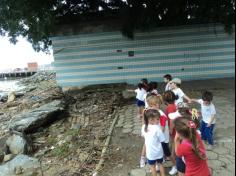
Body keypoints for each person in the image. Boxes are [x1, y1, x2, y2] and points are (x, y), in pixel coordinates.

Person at [142, 108, 166, 176]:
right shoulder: (157, 128)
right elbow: (162, 140)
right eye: (158, 119)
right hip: (158, 151)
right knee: (160, 164)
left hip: (150, 152)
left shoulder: (144, 127)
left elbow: (143, 136)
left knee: (152, 166)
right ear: (151, 120)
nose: (159, 121)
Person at [162, 90, 178, 175]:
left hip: (174, 130)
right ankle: (173, 158)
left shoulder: (170, 107)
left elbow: (172, 119)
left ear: (165, 100)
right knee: (173, 145)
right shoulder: (173, 105)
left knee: (174, 147)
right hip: (175, 130)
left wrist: (171, 130)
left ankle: (175, 165)